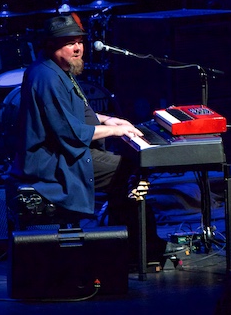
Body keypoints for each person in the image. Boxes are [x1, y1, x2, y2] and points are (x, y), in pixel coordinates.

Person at [9, 13, 167, 263]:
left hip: (61, 153)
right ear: (51, 46)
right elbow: (68, 132)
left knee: (128, 172)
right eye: (69, 42)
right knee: (129, 170)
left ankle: (130, 247)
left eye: (79, 41)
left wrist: (106, 120)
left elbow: (74, 111)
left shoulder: (57, 69)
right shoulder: (47, 77)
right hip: (52, 162)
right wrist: (117, 131)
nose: (78, 48)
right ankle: (140, 251)